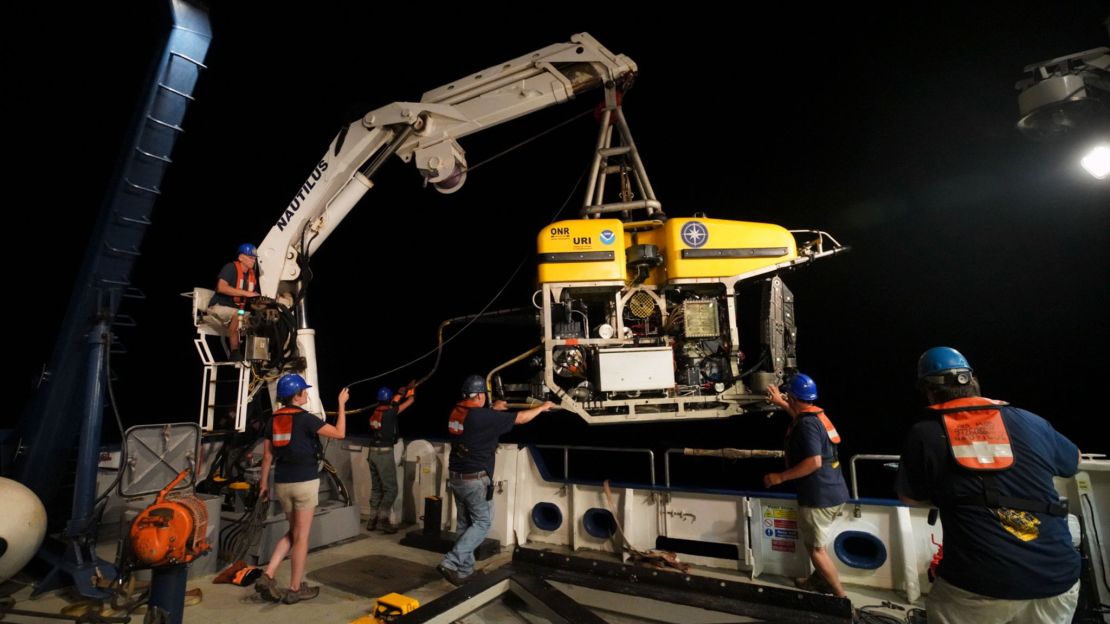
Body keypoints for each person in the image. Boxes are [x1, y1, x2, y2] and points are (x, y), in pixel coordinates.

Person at [896, 347, 1081, 624]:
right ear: (972, 381)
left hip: (978, 585)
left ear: (928, 390)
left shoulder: (924, 432)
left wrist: (954, 494)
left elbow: (909, 498)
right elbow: (1074, 460)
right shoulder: (1031, 421)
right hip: (1058, 576)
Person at [437, 375, 556, 585]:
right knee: (483, 522)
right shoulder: (481, 417)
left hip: (456, 477)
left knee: (465, 524)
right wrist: (542, 407)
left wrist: (493, 409)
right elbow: (519, 418)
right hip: (475, 480)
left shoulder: (457, 412)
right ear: (481, 395)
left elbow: (477, 420)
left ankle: (465, 571)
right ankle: (451, 562)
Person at [256, 373, 348, 604]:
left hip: (282, 483)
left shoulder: (273, 419)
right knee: (302, 537)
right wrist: (341, 405)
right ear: (296, 396)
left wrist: (263, 484)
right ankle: (295, 589)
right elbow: (339, 433)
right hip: (305, 482)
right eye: (304, 391)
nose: (306, 393)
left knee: (293, 531)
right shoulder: (306, 419)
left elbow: (267, 457)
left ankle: (268, 574)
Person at [762, 373, 849, 598]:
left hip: (818, 497)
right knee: (819, 542)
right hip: (836, 491)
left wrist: (779, 477)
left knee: (816, 550)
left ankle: (842, 599)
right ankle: (818, 582)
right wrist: (781, 403)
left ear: (792, 396)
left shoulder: (807, 426)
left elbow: (813, 462)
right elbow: (799, 417)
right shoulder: (816, 415)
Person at [365, 382, 415, 533]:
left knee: (376, 488)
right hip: (383, 453)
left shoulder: (376, 411)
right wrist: (411, 391)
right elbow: (410, 401)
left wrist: (400, 392)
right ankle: (383, 518)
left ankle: (371, 521)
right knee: (391, 489)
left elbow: (393, 403)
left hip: (372, 452)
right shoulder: (391, 412)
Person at [208, 243, 260, 359]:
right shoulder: (230, 268)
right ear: (241, 257)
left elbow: (253, 296)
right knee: (239, 314)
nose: (254, 260)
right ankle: (234, 351)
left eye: (254, 258)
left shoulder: (252, 275)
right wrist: (247, 293)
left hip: (236, 309)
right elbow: (221, 287)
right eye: (250, 257)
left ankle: (256, 353)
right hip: (218, 306)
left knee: (258, 319)